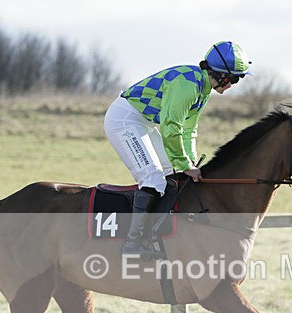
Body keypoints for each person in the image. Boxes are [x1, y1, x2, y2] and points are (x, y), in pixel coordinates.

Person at [104, 41, 252, 257]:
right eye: (235, 78)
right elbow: (171, 126)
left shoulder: (203, 89)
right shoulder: (187, 86)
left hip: (143, 121)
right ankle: (132, 243)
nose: (234, 85)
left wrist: (189, 163)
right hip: (124, 119)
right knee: (153, 178)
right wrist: (184, 163)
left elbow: (189, 129)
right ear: (221, 75)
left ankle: (155, 233)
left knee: (172, 172)